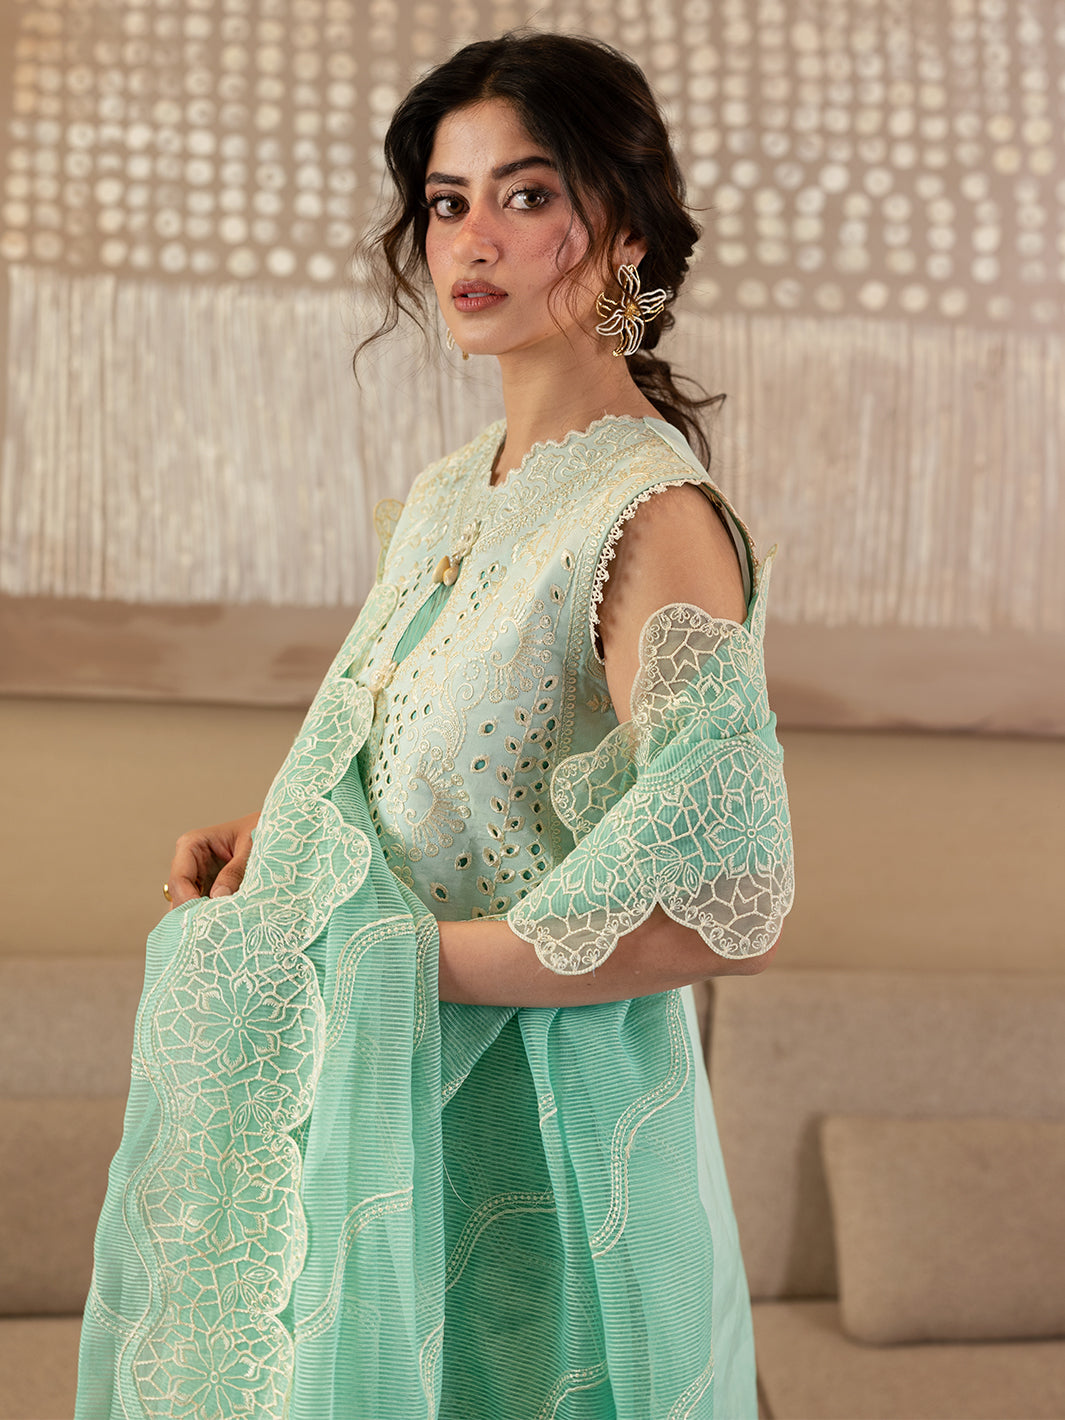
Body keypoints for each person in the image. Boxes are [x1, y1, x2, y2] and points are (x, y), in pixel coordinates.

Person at [76, 31, 793, 1420]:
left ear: (628, 232)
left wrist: (374, 964)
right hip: (396, 1126)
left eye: (528, 194)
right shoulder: (459, 491)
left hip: (548, 1147)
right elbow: (451, 781)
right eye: (448, 200)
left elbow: (730, 895)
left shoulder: (648, 516)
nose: (472, 237)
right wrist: (285, 840)